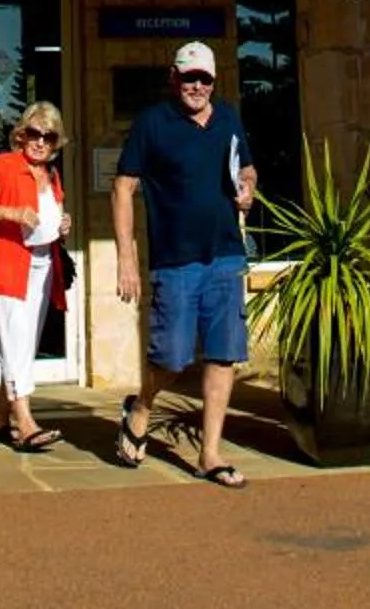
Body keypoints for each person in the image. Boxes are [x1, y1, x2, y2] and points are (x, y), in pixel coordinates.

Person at [110, 40, 258, 487]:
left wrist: (247, 189)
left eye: (205, 79)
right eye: (189, 77)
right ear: (174, 78)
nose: (197, 86)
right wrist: (127, 260)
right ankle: (141, 407)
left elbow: (246, 170)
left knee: (223, 356)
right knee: (172, 357)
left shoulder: (228, 118)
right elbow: (122, 188)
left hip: (226, 255)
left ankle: (209, 454)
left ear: (214, 82)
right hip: (176, 261)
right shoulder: (154, 123)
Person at [0, 100, 71, 450]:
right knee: (13, 341)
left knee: (24, 345)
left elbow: (48, 219)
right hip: (8, 264)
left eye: (48, 136)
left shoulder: (51, 175)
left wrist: (63, 225)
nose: (40, 142)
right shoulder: (3, 167)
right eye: (34, 134)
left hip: (42, 265)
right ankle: (26, 423)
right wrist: (10, 211)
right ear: (21, 135)